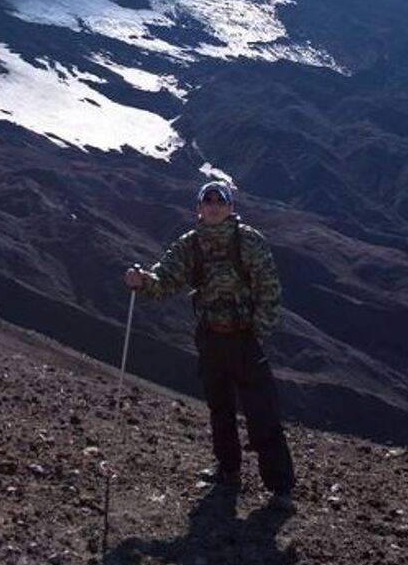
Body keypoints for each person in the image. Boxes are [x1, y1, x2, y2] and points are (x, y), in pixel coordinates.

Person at [125, 181, 295, 508]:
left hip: (244, 337)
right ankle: (228, 471)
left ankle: (280, 487)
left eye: (221, 201)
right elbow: (166, 280)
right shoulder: (190, 245)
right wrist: (142, 280)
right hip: (211, 336)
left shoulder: (249, 241)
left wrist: (256, 333)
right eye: (208, 201)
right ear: (199, 208)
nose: (214, 206)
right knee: (220, 409)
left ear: (231, 207)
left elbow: (269, 290)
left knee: (262, 412)